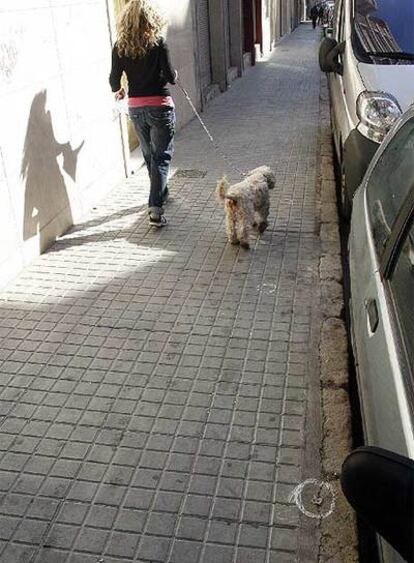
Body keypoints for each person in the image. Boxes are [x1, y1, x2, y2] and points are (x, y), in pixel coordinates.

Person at [109, 0, 177, 227]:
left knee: (150, 156)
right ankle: (155, 207)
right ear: (152, 19)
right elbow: (169, 76)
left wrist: (119, 91)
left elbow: (113, 79)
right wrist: (174, 75)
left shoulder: (120, 46)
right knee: (162, 156)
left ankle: (161, 191)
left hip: (136, 109)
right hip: (160, 106)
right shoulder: (158, 43)